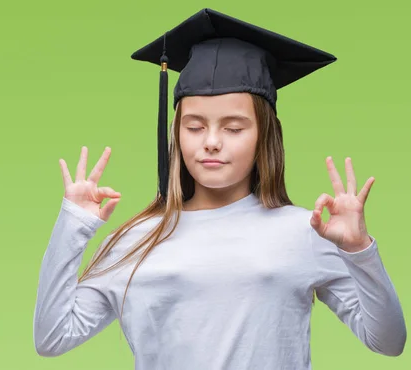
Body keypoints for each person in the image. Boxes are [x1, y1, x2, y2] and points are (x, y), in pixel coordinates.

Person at [32, 8, 406, 369]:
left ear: (264, 137)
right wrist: (73, 225)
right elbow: (52, 338)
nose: (211, 142)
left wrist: (359, 250)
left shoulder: (303, 231)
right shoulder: (136, 240)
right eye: (194, 127)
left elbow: (389, 342)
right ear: (176, 134)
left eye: (233, 128)